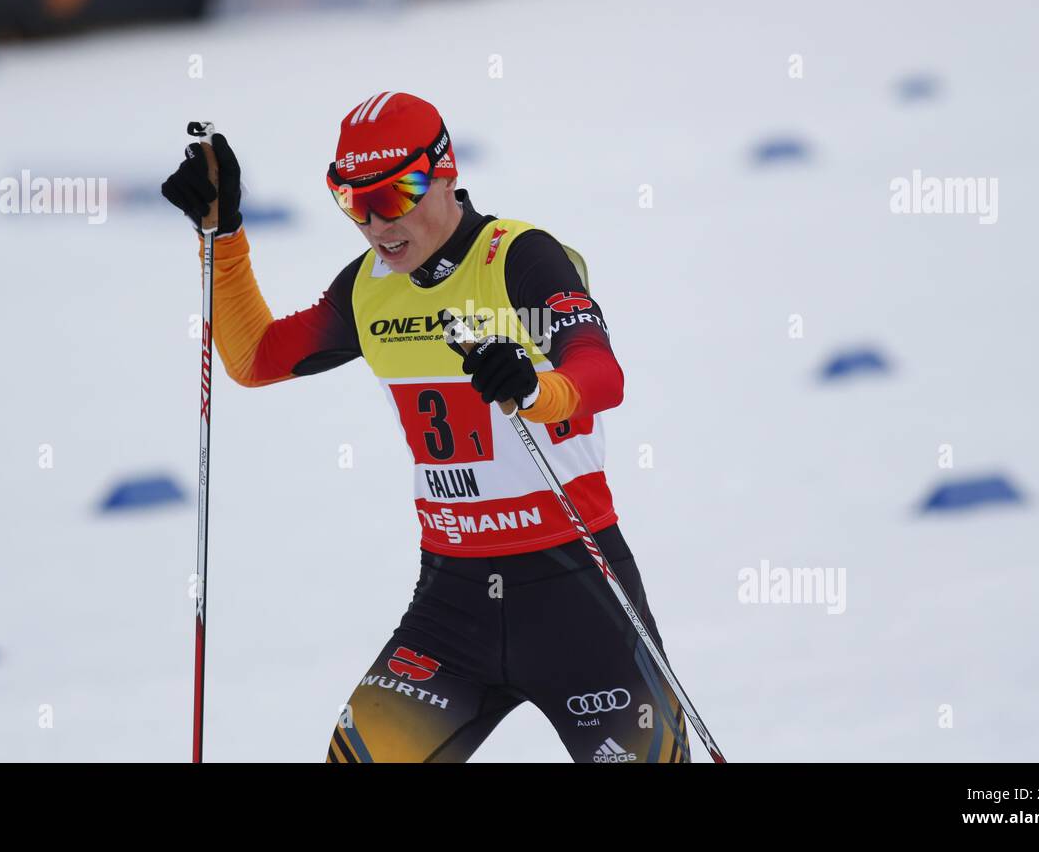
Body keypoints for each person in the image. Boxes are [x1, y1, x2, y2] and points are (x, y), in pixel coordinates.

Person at [161, 92, 689, 763]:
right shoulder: (369, 287)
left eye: (395, 195)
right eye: (354, 202)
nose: (377, 223)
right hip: (454, 603)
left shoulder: (519, 257)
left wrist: (534, 388)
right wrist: (224, 234)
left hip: (577, 594)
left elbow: (601, 375)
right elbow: (255, 358)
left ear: (445, 171)